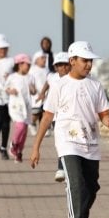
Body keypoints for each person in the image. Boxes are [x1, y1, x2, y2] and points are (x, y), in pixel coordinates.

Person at [29, 41, 109, 218]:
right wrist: (36, 147)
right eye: (84, 60)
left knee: (92, 186)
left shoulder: (95, 85)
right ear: (72, 61)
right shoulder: (59, 85)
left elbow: (103, 113)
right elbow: (47, 117)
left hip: (90, 142)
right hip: (68, 142)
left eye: (90, 61)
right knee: (76, 184)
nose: (88, 65)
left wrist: (108, 121)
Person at [37, 52, 71, 182]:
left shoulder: (74, 79)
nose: (63, 68)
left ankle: (67, 167)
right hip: (56, 117)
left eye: (65, 65)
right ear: (56, 67)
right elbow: (47, 83)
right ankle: (61, 168)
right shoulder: (53, 78)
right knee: (62, 142)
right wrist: (42, 93)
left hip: (71, 117)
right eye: (59, 65)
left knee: (70, 142)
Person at [5, 53, 36, 163]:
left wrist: (33, 89)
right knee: (20, 126)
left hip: (26, 107)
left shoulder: (31, 77)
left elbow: (34, 91)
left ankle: (19, 152)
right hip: (15, 106)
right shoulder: (12, 77)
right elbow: (6, 88)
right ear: (19, 64)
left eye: (29, 64)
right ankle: (13, 145)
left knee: (24, 132)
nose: (28, 66)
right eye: (26, 64)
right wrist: (10, 91)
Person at [28, 50, 49, 136]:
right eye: (42, 58)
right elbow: (30, 82)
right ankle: (32, 124)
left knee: (45, 112)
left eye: (45, 58)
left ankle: (44, 128)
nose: (44, 59)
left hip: (46, 95)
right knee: (36, 112)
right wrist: (34, 91)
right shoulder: (32, 70)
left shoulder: (47, 69)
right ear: (36, 60)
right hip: (36, 95)